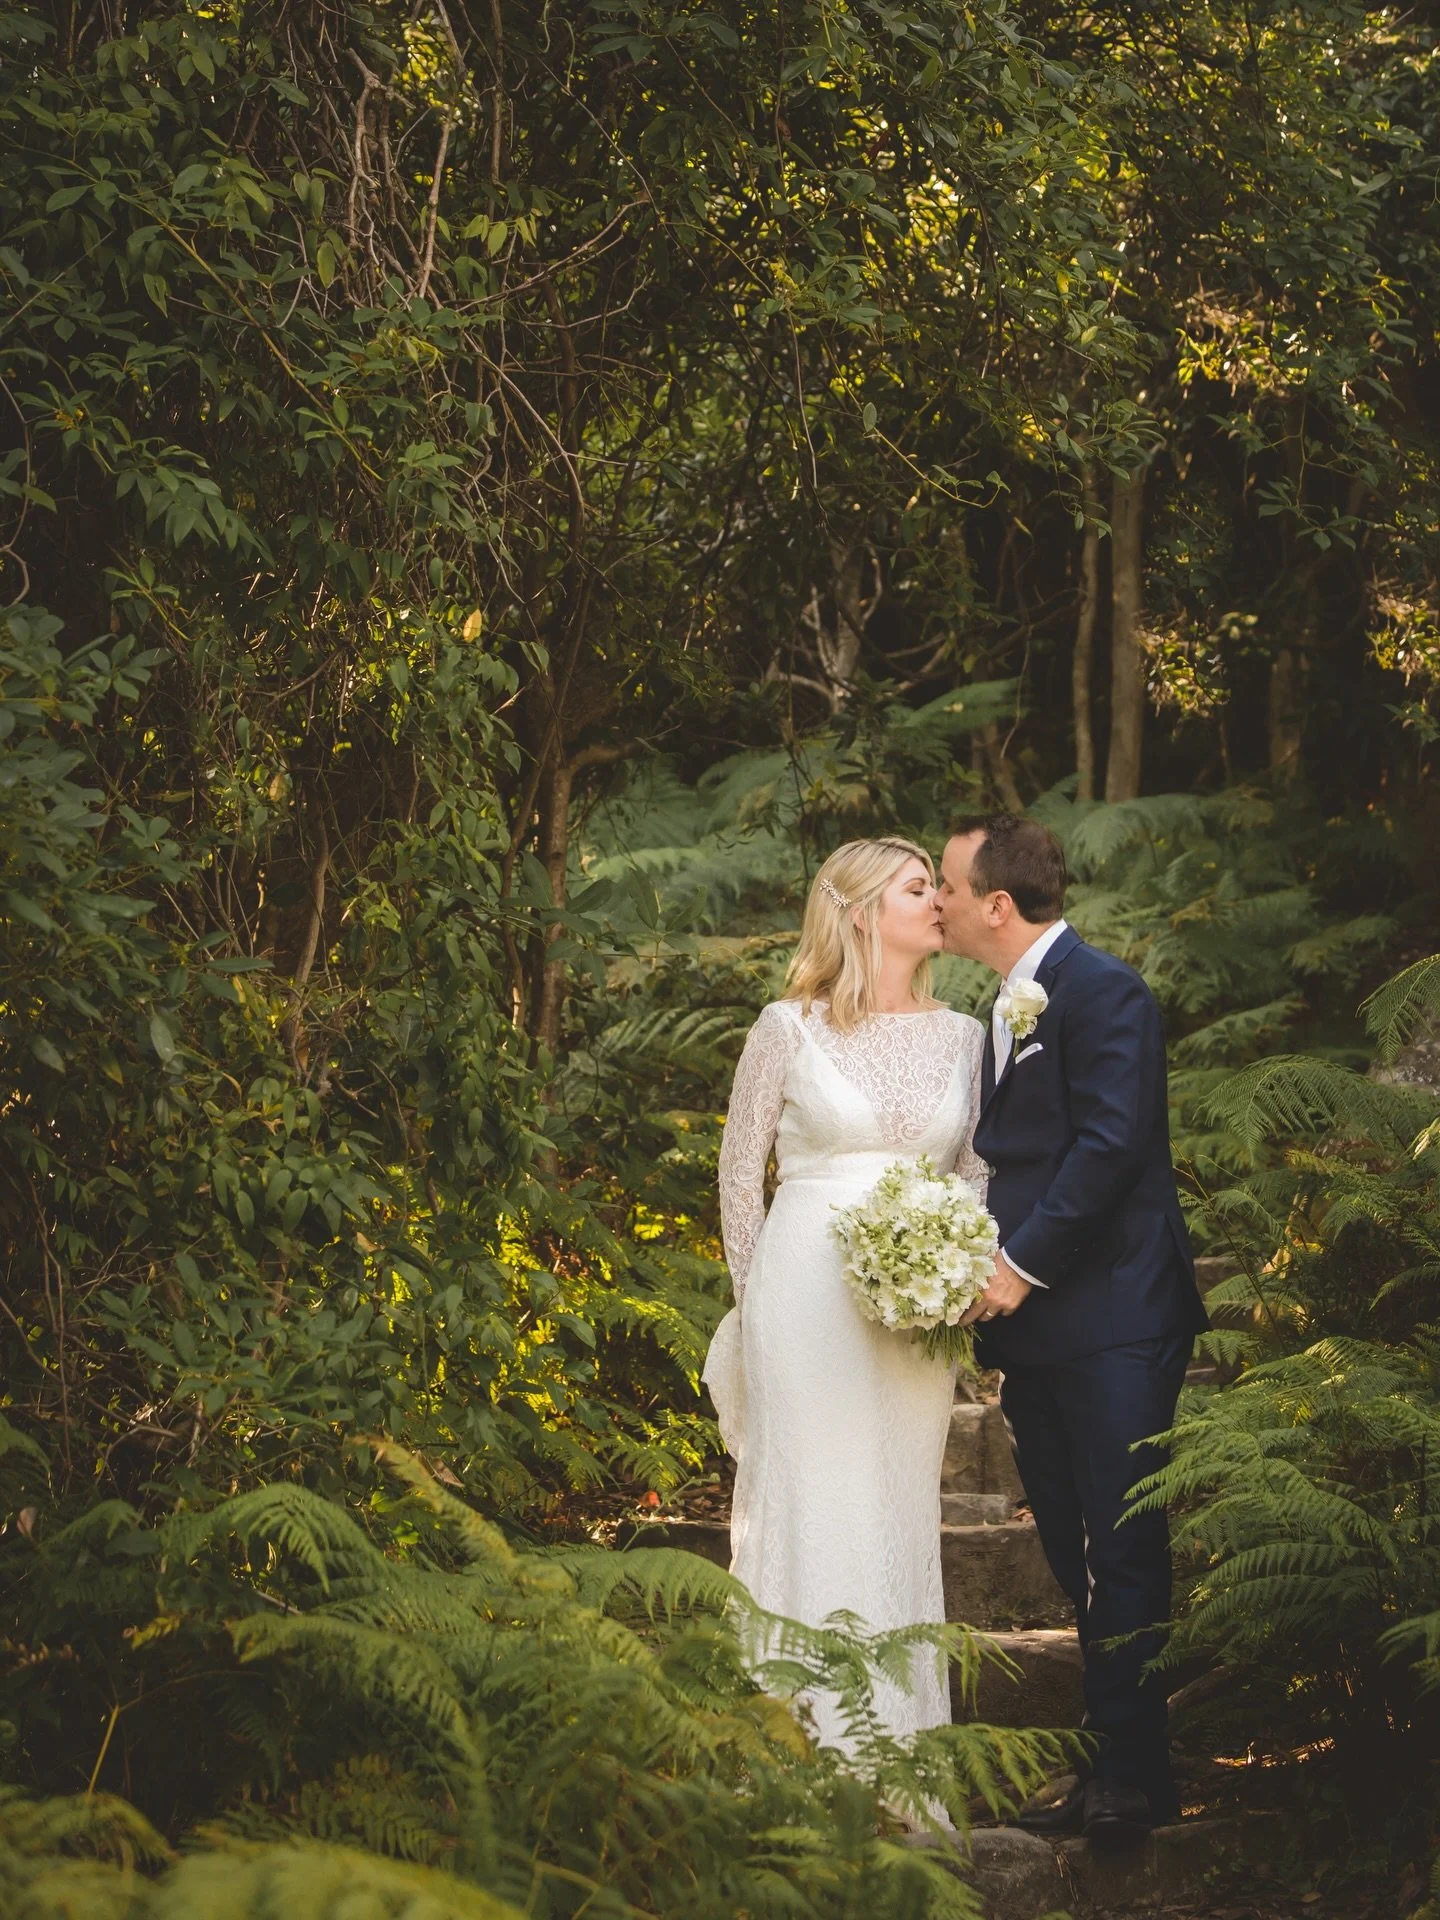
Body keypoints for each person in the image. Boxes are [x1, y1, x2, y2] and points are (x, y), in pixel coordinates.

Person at [937, 812, 1210, 1848]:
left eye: (952, 888)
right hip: (1041, 1330)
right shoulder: (1002, 1008)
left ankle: (1134, 1777)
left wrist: (1013, 1266)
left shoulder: (1109, 993)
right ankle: (1112, 1753)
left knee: (1122, 1542)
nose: (943, 902)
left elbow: (1109, 1145)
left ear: (997, 904)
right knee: (1072, 1544)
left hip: (1118, 1315)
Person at [702, 836, 986, 1752]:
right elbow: (740, 1177)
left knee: (894, 1515)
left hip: (916, 1317)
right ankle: (796, 1752)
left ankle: (895, 1756)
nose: (938, 902)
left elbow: (977, 1171)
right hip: (803, 1300)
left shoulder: (968, 1036)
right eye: (917, 888)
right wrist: (754, 1313)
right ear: (862, 912)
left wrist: (953, 1264)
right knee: (809, 1505)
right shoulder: (785, 1027)